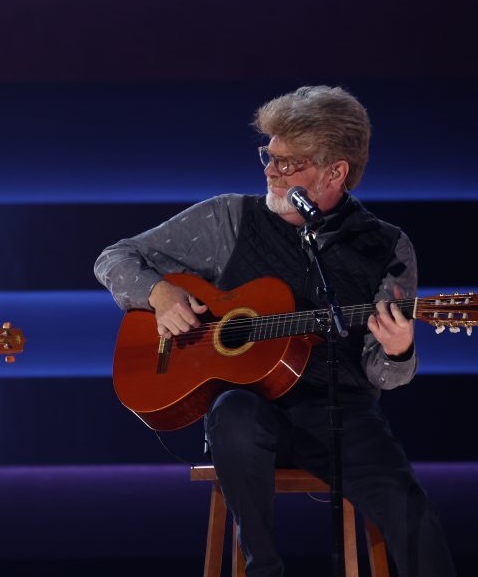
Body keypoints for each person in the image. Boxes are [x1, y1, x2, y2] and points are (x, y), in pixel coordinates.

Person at [94, 86, 455, 576]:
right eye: (270, 155)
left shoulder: (386, 248)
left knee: (412, 512)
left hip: (338, 413)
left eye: (288, 163)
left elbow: (384, 374)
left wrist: (397, 350)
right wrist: (160, 295)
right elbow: (114, 258)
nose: (269, 170)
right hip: (247, 410)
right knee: (236, 414)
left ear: (335, 172)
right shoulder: (229, 219)